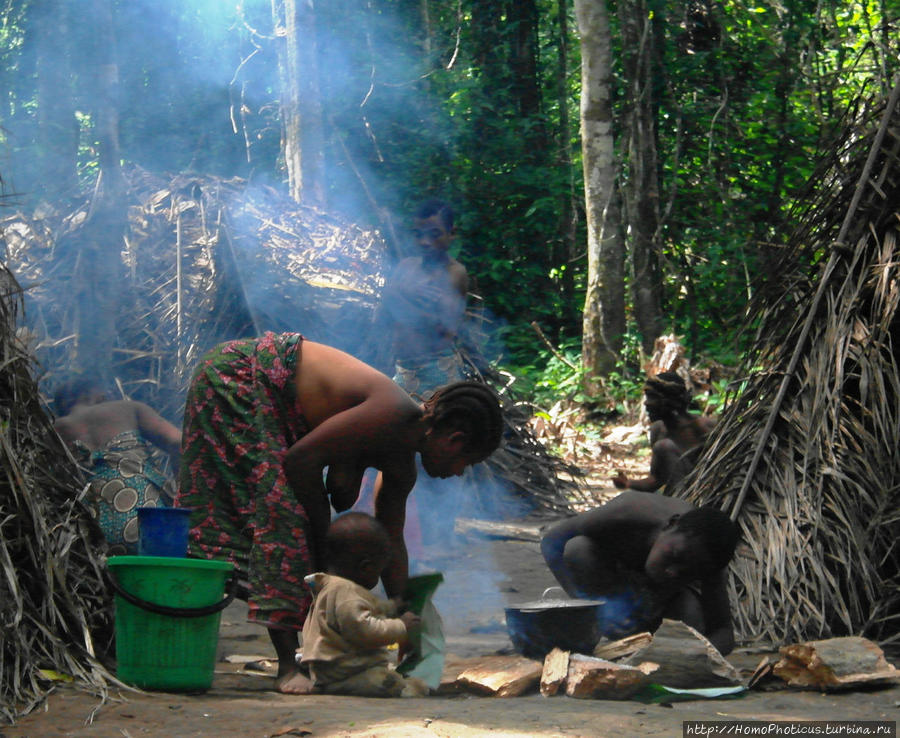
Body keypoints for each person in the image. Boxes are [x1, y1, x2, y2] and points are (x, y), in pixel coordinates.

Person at [174, 331, 503, 694]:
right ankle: (287, 665)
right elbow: (299, 461)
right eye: (465, 463)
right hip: (238, 377)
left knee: (299, 526)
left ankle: (297, 651)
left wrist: (407, 618)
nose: (457, 473)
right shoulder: (394, 413)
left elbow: (392, 539)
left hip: (273, 404)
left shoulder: (402, 463)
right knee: (287, 519)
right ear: (454, 440)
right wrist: (321, 539)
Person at [539, 491, 738, 655]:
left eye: (687, 573)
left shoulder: (711, 558)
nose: (671, 571)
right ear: (671, 524)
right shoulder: (625, 513)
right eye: (675, 556)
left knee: (691, 613)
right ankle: (610, 624)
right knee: (578, 549)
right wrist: (585, 609)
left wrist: (699, 654)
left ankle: (643, 640)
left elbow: (723, 631)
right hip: (614, 585)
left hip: (660, 604)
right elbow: (551, 542)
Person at [300, 512, 428, 697]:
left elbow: (364, 608)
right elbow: (364, 630)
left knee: (385, 673)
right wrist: (401, 627)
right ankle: (398, 689)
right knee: (387, 682)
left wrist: (391, 607)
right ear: (366, 567)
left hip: (334, 668)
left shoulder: (335, 587)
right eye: (378, 570)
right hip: (344, 670)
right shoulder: (346, 593)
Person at [53, 377, 183, 555]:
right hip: (147, 518)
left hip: (91, 535)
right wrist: (182, 495)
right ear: (90, 393)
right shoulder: (127, 408)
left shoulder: (54, 430)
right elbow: (176, 441)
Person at [374, 199, 470, 393]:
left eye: (434, 234)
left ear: (452, 233)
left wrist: (397, 294)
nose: (425, 242)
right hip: (403, 368)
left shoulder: (455, 273)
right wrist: (406, 293)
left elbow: (438, 327)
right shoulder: (406, 266)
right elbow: (382, 310)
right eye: (418, 235)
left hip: (438, 371)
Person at [613, 371, 717, 492]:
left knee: (664, 446)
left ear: (669, 400)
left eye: (652, 397)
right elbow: (656, 480)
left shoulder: (704, 427)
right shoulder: (657, 430)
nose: (646, 403)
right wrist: (628, 483)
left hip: (702, 494)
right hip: (675, 497)